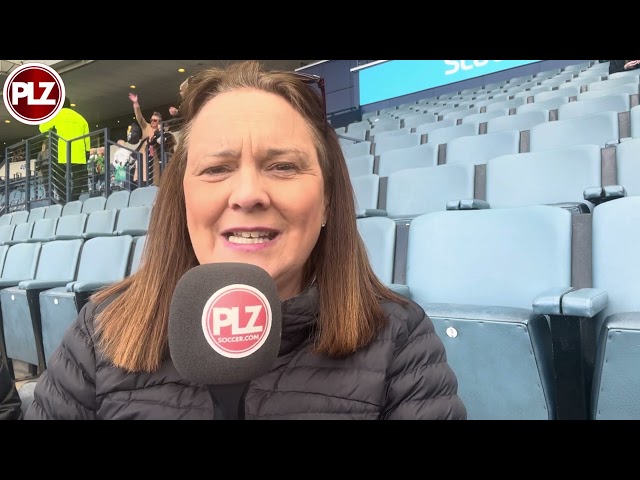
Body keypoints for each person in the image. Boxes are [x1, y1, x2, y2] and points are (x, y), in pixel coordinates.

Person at [26, 60, 466, 420]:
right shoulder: (98, 334)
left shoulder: (400, 339)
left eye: (284, 166)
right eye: (216, 169)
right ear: (181, 199)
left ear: (329, 199)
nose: (249, 194)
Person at [38, 97, 91, 201]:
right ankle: (74, 198)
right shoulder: (80, 118)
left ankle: (64, 198)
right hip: (78, 152)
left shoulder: (55, 115)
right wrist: (87, 151)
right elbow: (87, 137)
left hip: (61, 151)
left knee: (58, 175)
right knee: (79, 177)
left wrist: (50, 135)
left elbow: (42, 128)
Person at [128, 93, 162, 186]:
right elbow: (140, 118)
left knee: (154, 181)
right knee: (142, 178)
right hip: (143, 156)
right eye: (151, 120)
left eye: (155, 120)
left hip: (154, 157)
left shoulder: (161, 131)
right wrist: (136, 104)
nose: (152, 122)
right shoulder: (146, 127)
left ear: (159, 122)